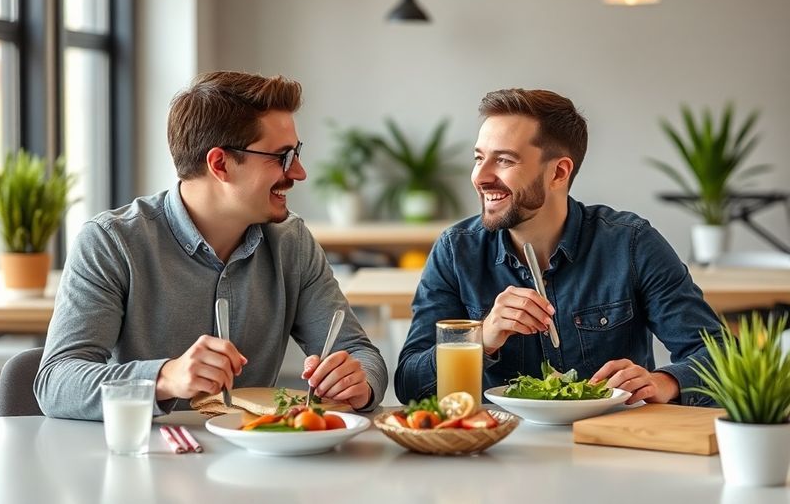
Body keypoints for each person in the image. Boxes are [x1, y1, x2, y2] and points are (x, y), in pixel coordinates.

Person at [35, 71, 388, 420]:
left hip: (257, 451)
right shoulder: (111, 242)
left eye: (296, 153)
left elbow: (359, 353)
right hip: (145, 451)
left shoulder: (291, 242)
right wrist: (165, 377)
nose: (299, 172)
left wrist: (358, 381)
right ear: (220, 164)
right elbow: (56, 382)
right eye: (281, 157)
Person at [395, 88, 722, 406]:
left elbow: (721, 356)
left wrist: (664, 382)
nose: (480, 176)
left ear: (559, 172)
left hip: (610, 436)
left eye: (504, 160)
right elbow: (410, 385)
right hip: (499, 438)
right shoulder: (456, 251)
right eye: (479, 158)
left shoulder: (631, 244)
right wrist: (481, 339)